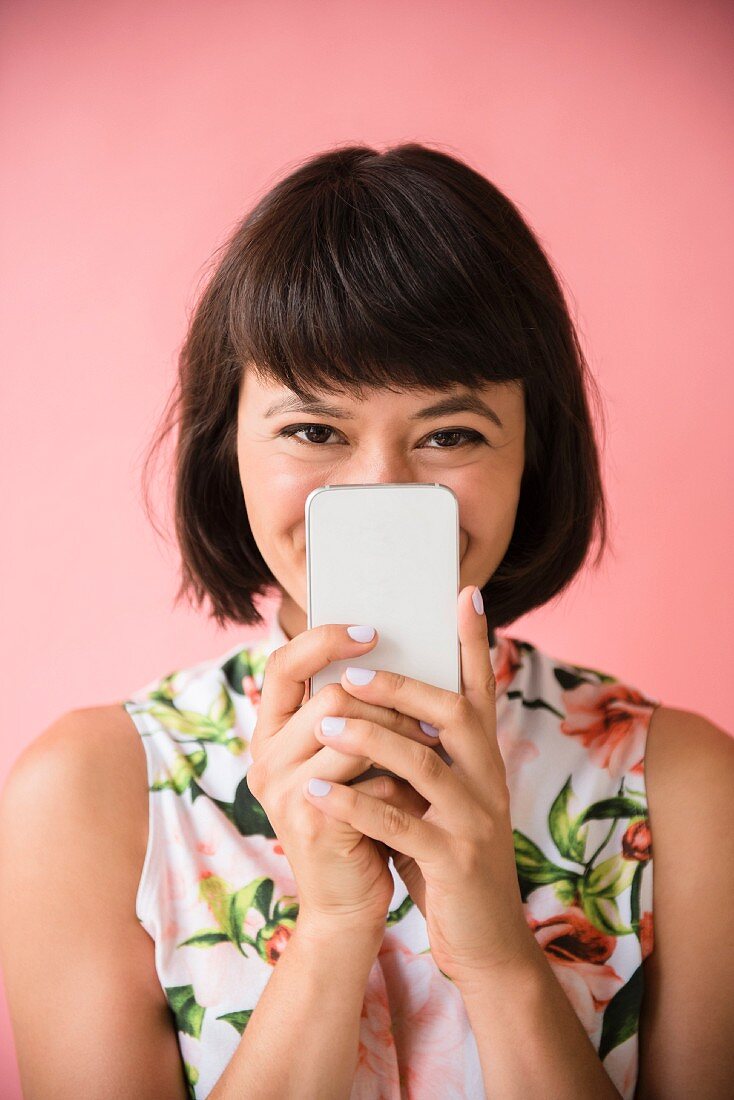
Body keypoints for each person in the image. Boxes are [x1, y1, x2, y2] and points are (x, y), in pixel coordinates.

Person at [0, 143, 732, 1100]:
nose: (382, 488)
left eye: (451, 435)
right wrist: (335, 932)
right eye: (315, 430)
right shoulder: (92, 795)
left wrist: (501, 958)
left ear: (530, 458)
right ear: (229, 449)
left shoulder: (683, 791)